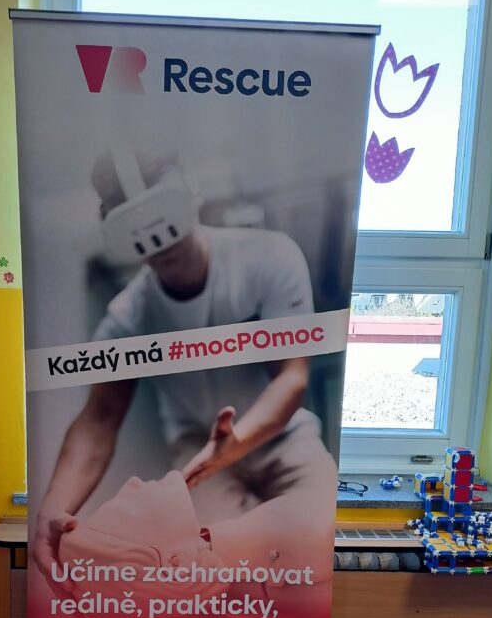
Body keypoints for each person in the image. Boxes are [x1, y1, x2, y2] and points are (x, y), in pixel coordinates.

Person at [32, 147, 337, 582]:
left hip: (281, 434)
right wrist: (50, 510)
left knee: (321, 533)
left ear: (190, 191)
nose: (158, 237)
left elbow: (292, 376)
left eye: (161, 211)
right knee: (221, 573)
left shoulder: (268, 258)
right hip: (198, 453)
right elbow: (99, 419)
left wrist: (237, 441)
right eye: (136, 224)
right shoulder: (127, 320)